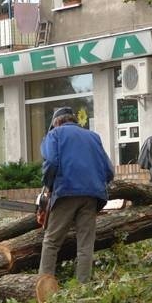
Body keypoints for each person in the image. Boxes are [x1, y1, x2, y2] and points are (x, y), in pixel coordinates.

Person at [38, 106, 114, 283]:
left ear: (56, 122)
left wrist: (48, 186)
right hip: (92, 196)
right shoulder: (93, 137)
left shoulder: (54, 135)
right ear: (72, 119)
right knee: (85, 245)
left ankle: (43, 286)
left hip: (66, 191)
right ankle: (83, 287)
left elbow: (50, 161)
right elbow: (109, 170)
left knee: (51, 242)